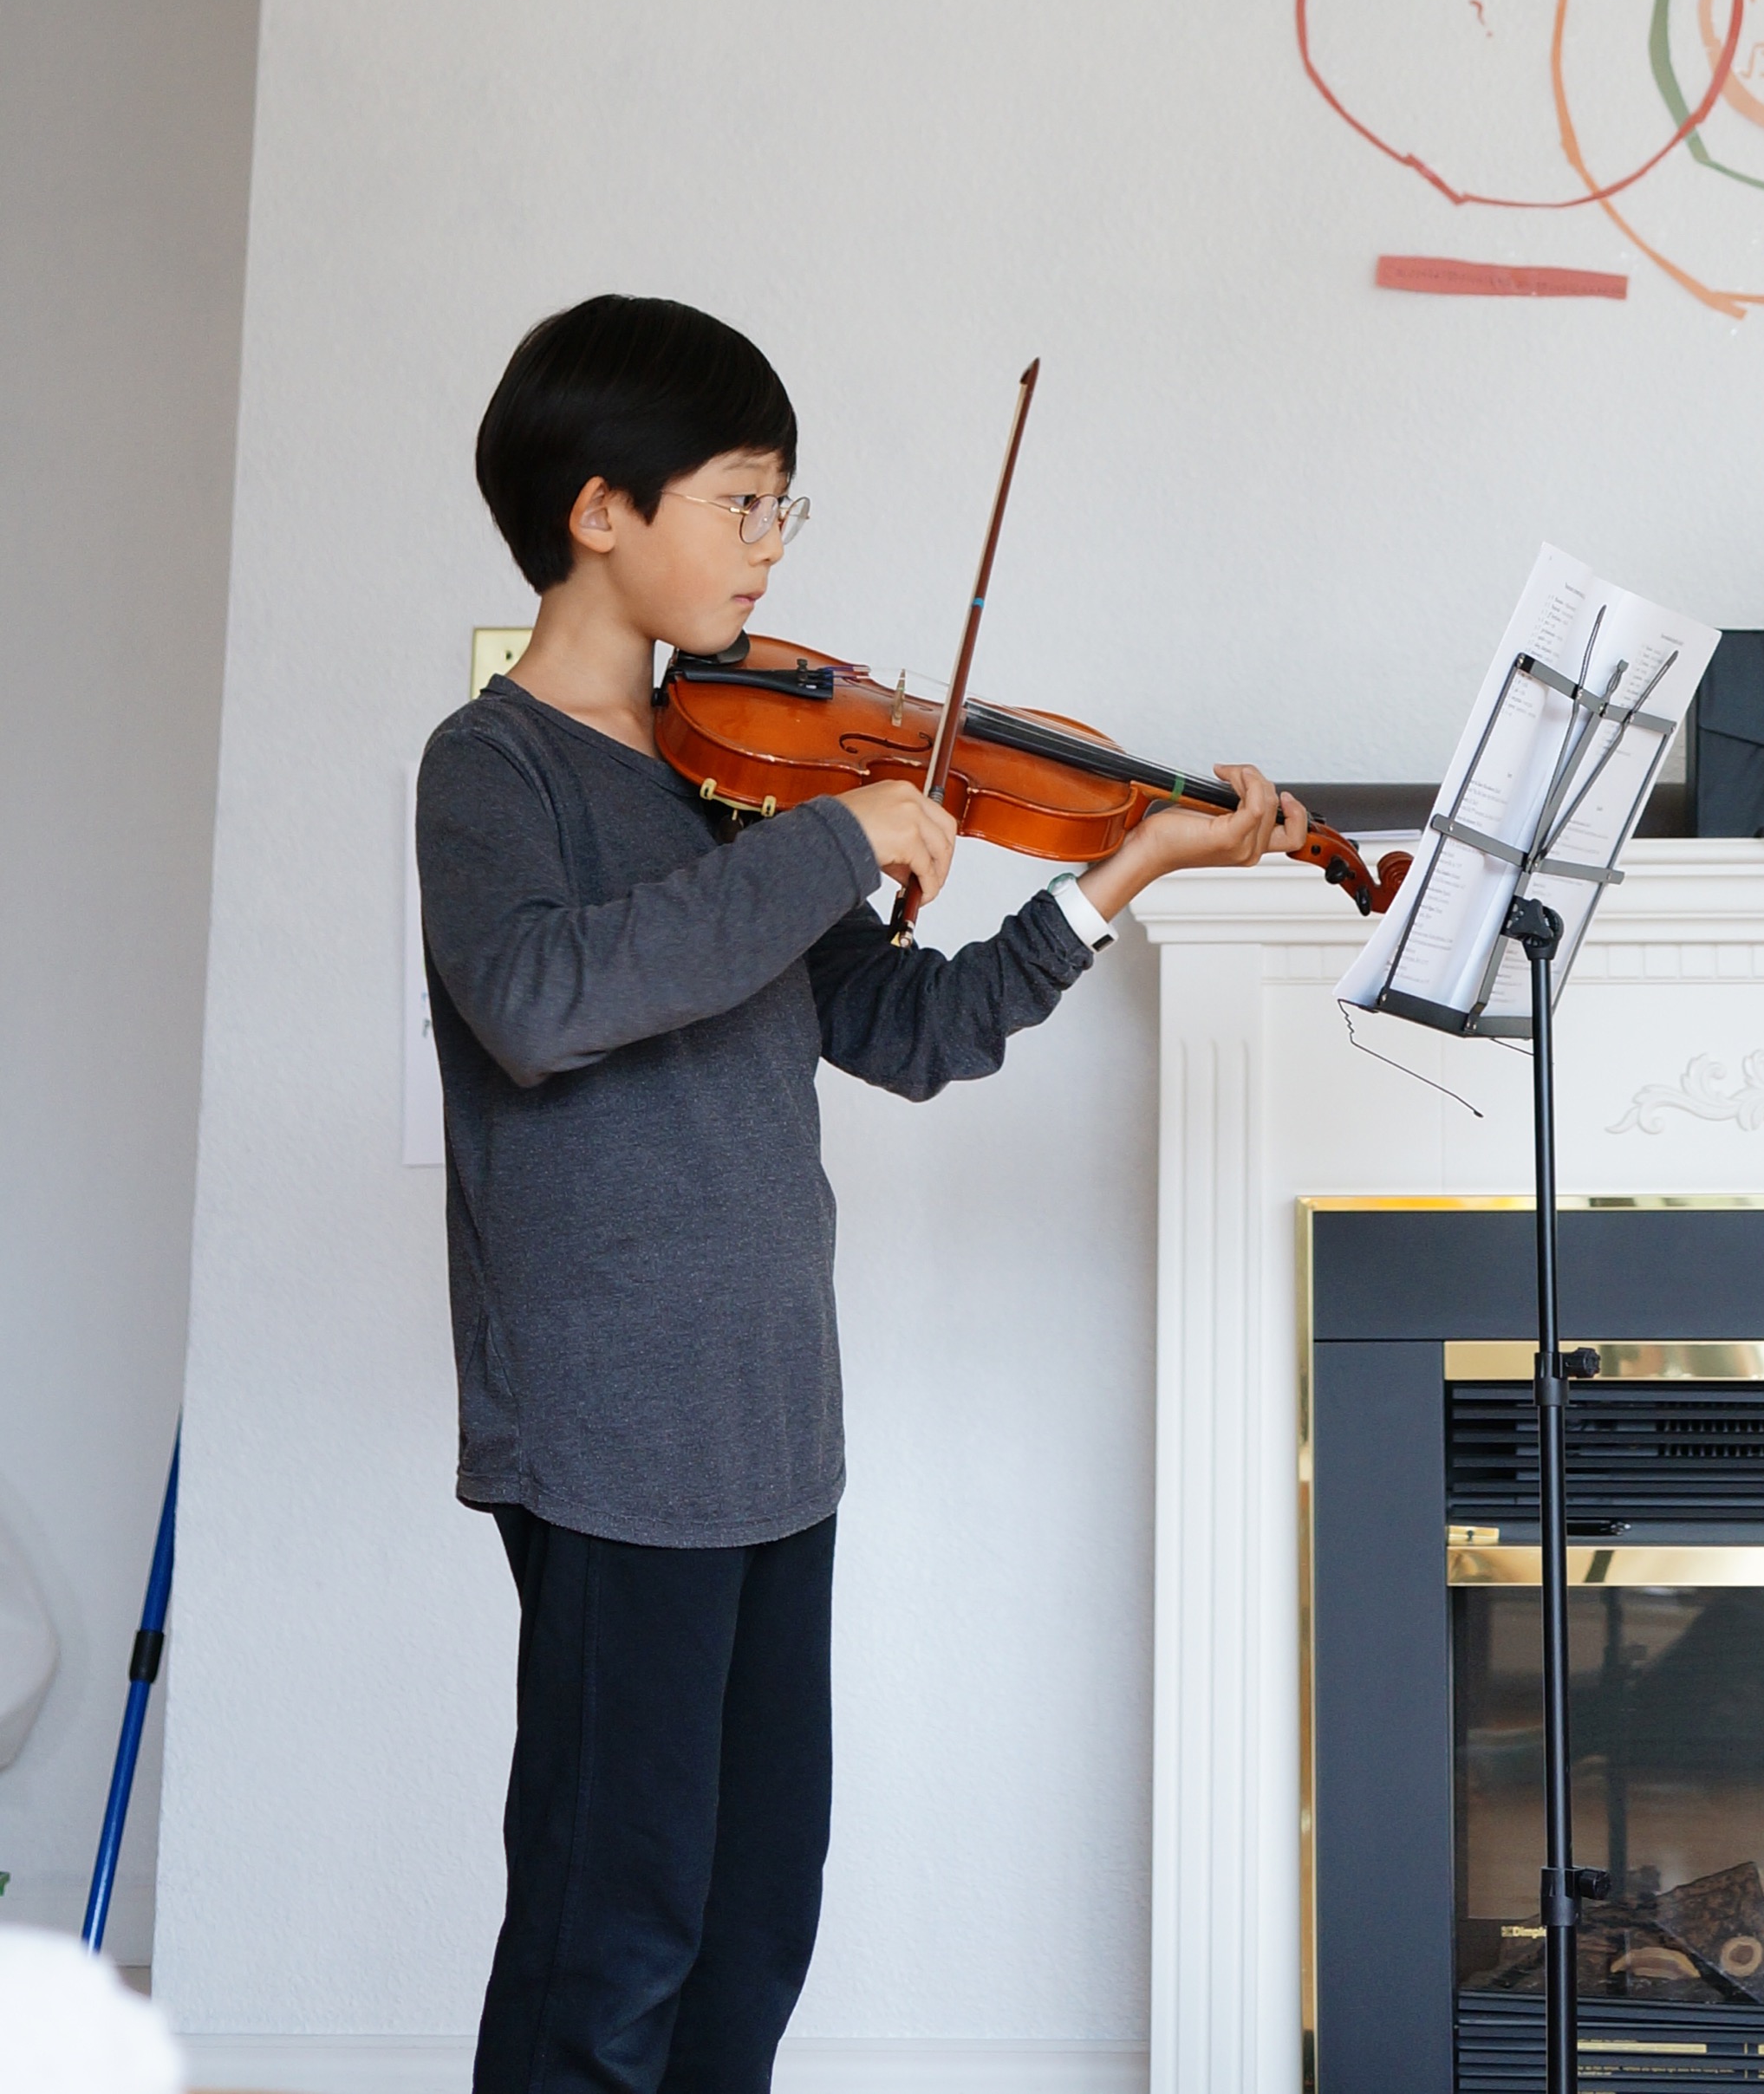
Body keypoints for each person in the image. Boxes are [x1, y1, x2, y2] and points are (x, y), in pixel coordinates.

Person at [416, 293, 1306, 2094]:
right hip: (609, 1434)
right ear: (602, 509)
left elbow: (906, 1029)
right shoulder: (495, 767)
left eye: (782, 506)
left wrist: (1120, 871)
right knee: (611, 1927)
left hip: (772, 1426)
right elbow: (538, 1001)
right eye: (743, 501)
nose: (771, 544)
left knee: (752, 1920)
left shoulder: (736, 788)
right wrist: (837, 838)